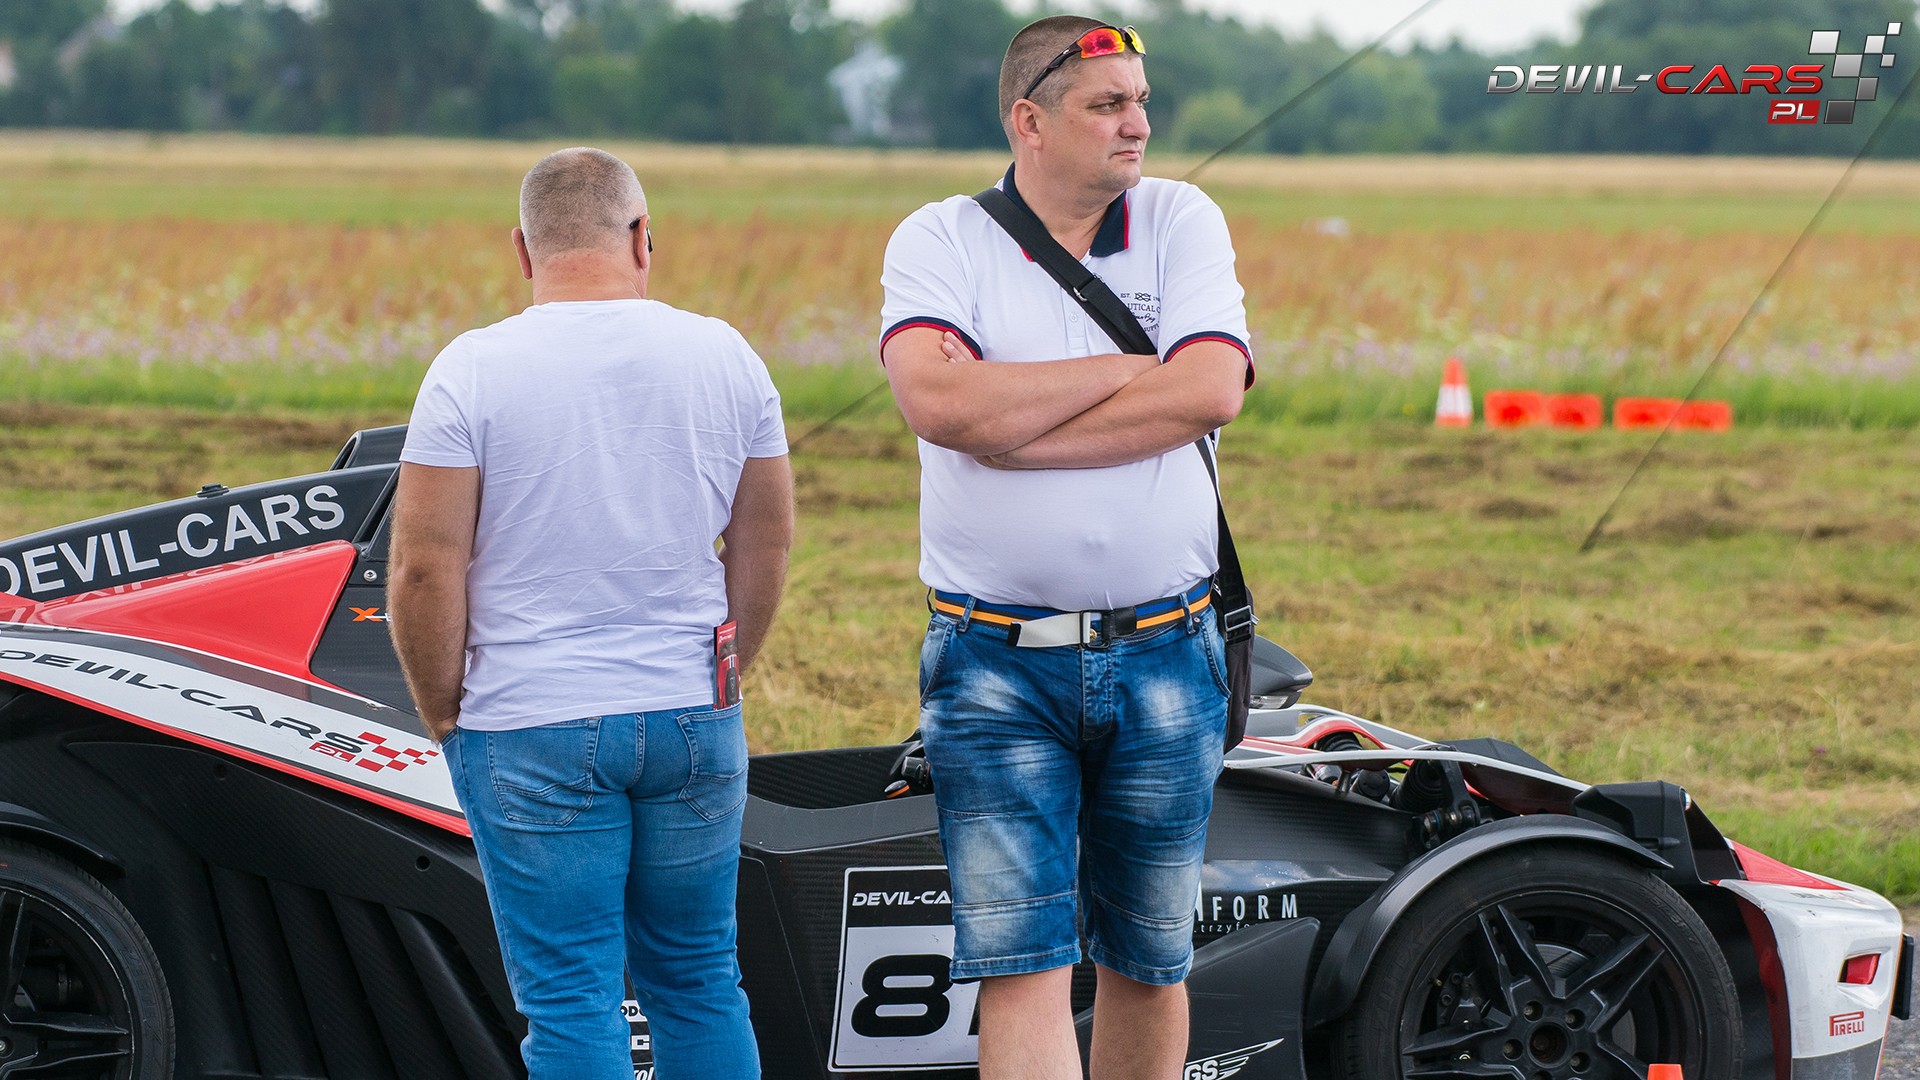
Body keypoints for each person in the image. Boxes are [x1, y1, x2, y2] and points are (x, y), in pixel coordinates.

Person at [878, 15, 1254, 1080]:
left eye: (1141, 102)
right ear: (1029, 121)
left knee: (1151, 959)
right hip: (993, 661)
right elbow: (940, 404)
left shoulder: (1180, 217)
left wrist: (1017, 434)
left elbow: (1211, 388)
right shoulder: (942, 238)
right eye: (1108, 105)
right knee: (1021, 965)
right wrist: (1136, 371)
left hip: (1168, 649)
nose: (1138, 124)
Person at [388, 146, 792, 1080]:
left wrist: (444, 709)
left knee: (572, 995)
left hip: (529, 722)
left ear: (522, 250)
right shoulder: (726, 354)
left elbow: (423, 570)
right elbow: (767, 541)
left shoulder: (469, 370)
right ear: (644, 237)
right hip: (691, 715)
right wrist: (726, 672)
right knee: (699, 978)